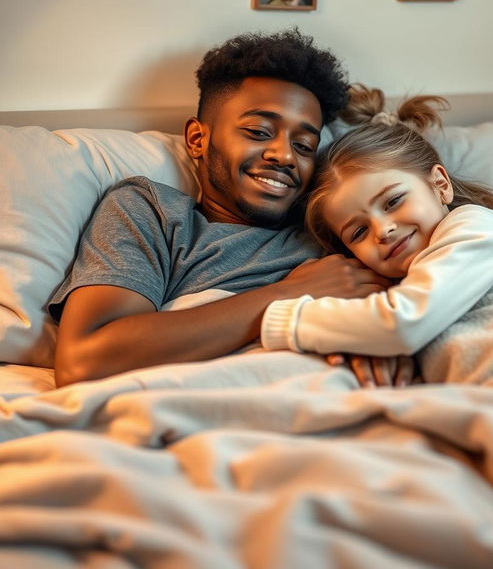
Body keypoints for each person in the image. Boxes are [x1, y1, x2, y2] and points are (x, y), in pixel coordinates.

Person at [50, 30, 392, 387]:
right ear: (198, 139)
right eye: (259, 132)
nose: (286, 156)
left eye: (304, 145)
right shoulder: (152, 211)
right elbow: (84, 362)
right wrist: (287, 294)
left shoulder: (334, 223)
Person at [260, 85, 493, 386]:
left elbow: (403, 325)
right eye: (359, 231)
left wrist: (282, 318)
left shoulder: (476, 227)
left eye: (393, 202)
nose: (383, 230)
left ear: (440, 185)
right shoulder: (397, 286)